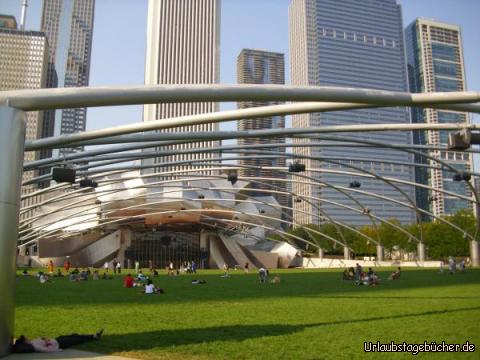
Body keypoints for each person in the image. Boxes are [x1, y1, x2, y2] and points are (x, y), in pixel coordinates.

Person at [12, 330, 103, 353]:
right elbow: (47, 349)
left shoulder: (33, 342)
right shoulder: (36, 347)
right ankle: (94, 337)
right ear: (25, 342)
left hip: (57, 339)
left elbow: (43, 338)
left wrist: (45, 339)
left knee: (74, 335)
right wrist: (57, 349)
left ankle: (93, 335)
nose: (28, 338)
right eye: (26, 339)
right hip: (59, 344)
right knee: (76, 339)